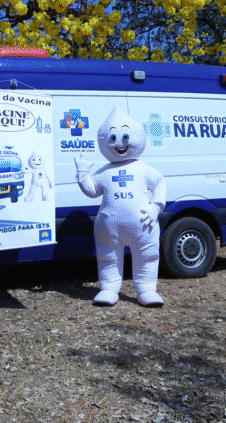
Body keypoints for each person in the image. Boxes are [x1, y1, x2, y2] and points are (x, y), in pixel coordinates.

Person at [74, 106, 166, 307]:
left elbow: (159, 184)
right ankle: (109, 288)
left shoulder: (143, 168)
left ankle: (147, 290)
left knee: (148, 257)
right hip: (109, 229)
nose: (119, 144)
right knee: (108, 257)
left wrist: (155, 207)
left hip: (143, 225)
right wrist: (82, 175)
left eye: (125, 137)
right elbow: (92, 191)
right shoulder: (105, 171)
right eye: (113, 138)